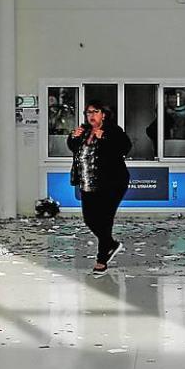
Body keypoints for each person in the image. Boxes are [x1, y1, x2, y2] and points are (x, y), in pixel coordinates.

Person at [68, 101, 131, 274]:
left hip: (112, 183)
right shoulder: (84, 130)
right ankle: (111, 244)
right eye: (88, 112)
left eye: (95, 112)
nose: (91, 115)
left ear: (103, 114)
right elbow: (74, 149)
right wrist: (73, 137)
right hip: (88, 182)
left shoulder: (113, 130)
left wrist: (104, 138)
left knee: (104, 220)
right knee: (89, 219)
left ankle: (102, 259)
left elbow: (125, 148)